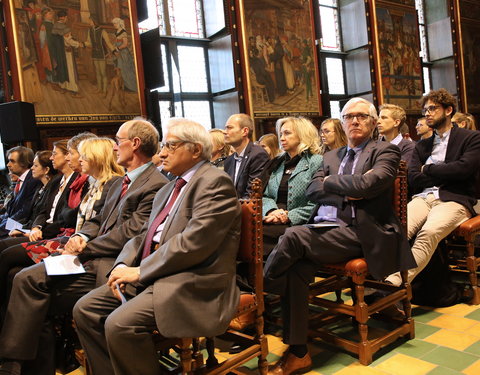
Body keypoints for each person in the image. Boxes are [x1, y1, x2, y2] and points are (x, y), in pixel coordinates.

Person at [73, 118, 241, 375]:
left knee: (120, 325)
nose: (161, 153)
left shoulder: (214, 181)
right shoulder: (169, 188)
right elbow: (142, 235)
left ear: (195, 150)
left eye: (170, 146)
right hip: (158, 272)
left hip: (192, 279)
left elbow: (195, 242)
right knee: (85, 310)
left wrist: (141, 271)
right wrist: (122, 264)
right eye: (163, 145)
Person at [0, 119, 168, 375]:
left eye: (118, 141)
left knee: (27, 283)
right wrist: (80, 236)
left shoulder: (154, 184)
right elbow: (97, 220)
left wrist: (85, 248)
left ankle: (14, 365)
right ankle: (23, 366)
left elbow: (132, 233)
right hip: (90, 256)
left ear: (134, 145)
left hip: (110, 264)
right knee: (24, 282)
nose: (113, 148)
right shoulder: (121, 182)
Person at [263, 97, 415, 375]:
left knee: (293, 237)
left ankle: (262, 289)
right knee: (295, 267)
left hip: (362, 232)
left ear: (371, 122)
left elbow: (371, 183)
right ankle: (299, 353)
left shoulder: (385, 152)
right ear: (343, 122)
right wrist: (349, 190)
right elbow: (312, 190)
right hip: (324, 229)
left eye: (362, 116)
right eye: (349, 116)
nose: (354, 120)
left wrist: (330, 183)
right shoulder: (331, 156)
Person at [385, 89, 480, 287]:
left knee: (428, 233)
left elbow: (463, 170)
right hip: (424, 198)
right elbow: (413, 178)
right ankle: (383, 278)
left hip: (454, 198)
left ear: (448, 110)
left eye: (432, 109)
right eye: (425, 109)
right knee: (396, 230)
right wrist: (443, 173)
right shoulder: (422, 145)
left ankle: (395, 283)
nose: (427, 113)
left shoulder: (470, 138)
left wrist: (427, 168)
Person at [262, 117, 322, 255]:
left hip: (297, 221)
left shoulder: (316, 161)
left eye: (287, 133)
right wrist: (272, 211)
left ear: (302, 135)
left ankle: (263, 275)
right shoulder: (277, 162)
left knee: (259, 235)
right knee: (242, 230)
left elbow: (319, 203)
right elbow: (265, 195)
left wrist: (289, 215)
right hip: (272, 216)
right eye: (281, 134)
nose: (282, 138)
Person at [8, 151, 57, 237]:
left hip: (40, 232)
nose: (31, 168)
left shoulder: (52, 189)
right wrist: (20, 228)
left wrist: (23, 231)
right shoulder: (40, 187)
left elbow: (44, 217)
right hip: (28, 226)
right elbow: (31, 217)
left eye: (35, 165)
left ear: (46, 170)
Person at [224, 113, 269, 198]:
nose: (225, 132)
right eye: (225, 128)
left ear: (245, 131)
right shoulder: (229, 160)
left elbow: (252, 194)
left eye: (229, 128)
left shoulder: (258, 155)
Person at [0, 147, 41, 237]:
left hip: (23, 224)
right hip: (13, 221)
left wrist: (3, 225)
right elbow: (12, 209)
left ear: (24, 163)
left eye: (12, 161)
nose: (8, 165)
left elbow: (24, 212)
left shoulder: (33, 180)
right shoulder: (20, 181)